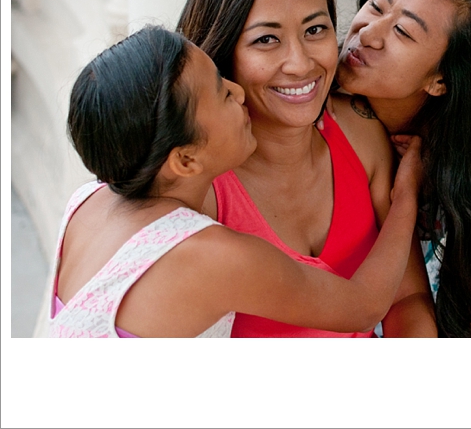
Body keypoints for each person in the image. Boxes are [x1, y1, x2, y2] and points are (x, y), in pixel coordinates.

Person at [50, 26, 423, 338]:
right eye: (223, 93)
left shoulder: (86, 203)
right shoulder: (213, 256)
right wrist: (406, 196)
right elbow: (361, 308)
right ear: (185, 159)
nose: (240, 92)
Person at [177, 0, 438, 338]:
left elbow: (407, 298)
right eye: (266, 39)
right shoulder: (198, 187)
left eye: (315, 30)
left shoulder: (359, 131)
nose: (300, 64)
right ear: (224, 50)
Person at [336, 0, 471, 338]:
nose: (368, 33)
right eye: (376, 6)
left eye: (402, 31)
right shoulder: (316, 126)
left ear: (440, 80)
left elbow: (470, 306)